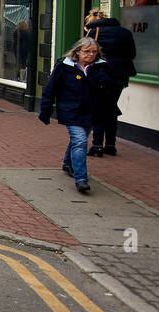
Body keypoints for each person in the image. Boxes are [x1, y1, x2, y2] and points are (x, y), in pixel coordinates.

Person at [40, 37, 114, 194]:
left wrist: (105, 84)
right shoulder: (64, 67)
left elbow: (109, 91)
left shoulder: (101, 68)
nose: (91, 55)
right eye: (87, 51)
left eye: (94, 52)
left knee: (78, 140)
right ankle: (81, 178)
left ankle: (67, 163)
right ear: (78, 51)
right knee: (80, 141)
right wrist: (45, 111)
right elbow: (51, 88)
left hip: (92, 111)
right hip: (71, 109)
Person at [84, 12, 136, 157]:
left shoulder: (94, 32)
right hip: (120, 76)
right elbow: (132, 53)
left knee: (98, 109)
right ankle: (111, 145)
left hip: (101, 75)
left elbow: (86, 54)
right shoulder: (125, 32)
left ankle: (97, 145)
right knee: (111, 108)